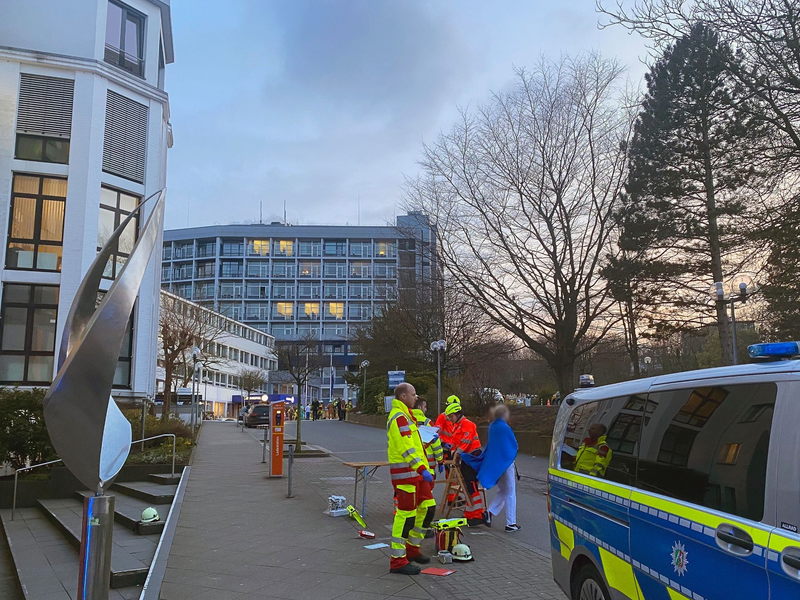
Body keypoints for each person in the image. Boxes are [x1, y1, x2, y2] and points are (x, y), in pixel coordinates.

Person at [386, 382, 434, 574]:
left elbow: (413, 444)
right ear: (403, 397)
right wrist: (422, 468)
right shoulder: (399, 418)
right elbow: (405, 448)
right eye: (413, 394)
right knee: (405, 517)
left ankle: (412, 549)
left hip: (415, 474)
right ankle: (397, 560)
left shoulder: (407, 417)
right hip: (406, 474)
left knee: (428, 508)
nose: (416, 397)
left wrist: (428, 441)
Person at [460, 404, 520, 532]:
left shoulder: (492, 427)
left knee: (504, 490)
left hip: (497, 463)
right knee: (510, 491)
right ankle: (510, 522)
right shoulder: (504, 427)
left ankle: (490, 513)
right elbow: (512, 444)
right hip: (506, 462)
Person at [445, 402, 486, 526]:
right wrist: (453, 454)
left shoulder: (468, 425)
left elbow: (465, 442)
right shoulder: (456, 427)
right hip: (465, 458)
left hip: (472, 457)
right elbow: (455, 443)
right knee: (466, 486)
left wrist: (456, 455)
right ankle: (470, 514)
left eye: (451, 416)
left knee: (471, 485)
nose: (450, 419)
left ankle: (478, 514)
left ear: (458, 414)